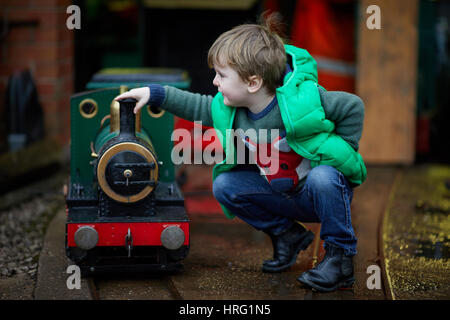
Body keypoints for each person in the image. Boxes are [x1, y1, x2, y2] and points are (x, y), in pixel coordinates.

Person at [114, 12, 366, 293]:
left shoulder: (303, 102)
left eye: (222, 75)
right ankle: (288, 235)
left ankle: (339, 259)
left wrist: (345, 151)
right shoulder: (231, 107)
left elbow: (352, 106)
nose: (214, 82)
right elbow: (197, 106)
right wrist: (154, 93)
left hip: (319, 194)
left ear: (253, 83)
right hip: (282, 193)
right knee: (225, 185)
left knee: (323, 177)